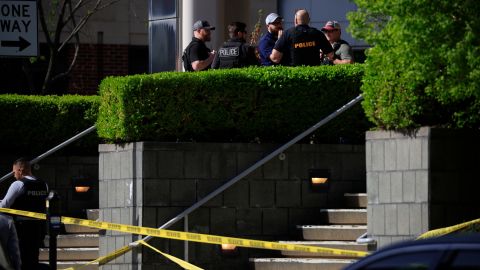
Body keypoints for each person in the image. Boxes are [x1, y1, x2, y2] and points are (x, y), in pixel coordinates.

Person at [0, 158, 49, 270]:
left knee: (20, 258)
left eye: (14, 172)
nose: (13, 175)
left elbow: (4, 206)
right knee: (33, 258)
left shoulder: (18, 184)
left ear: (20, 170)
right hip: (38, 228)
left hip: (21, 228)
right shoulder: (43, 184)